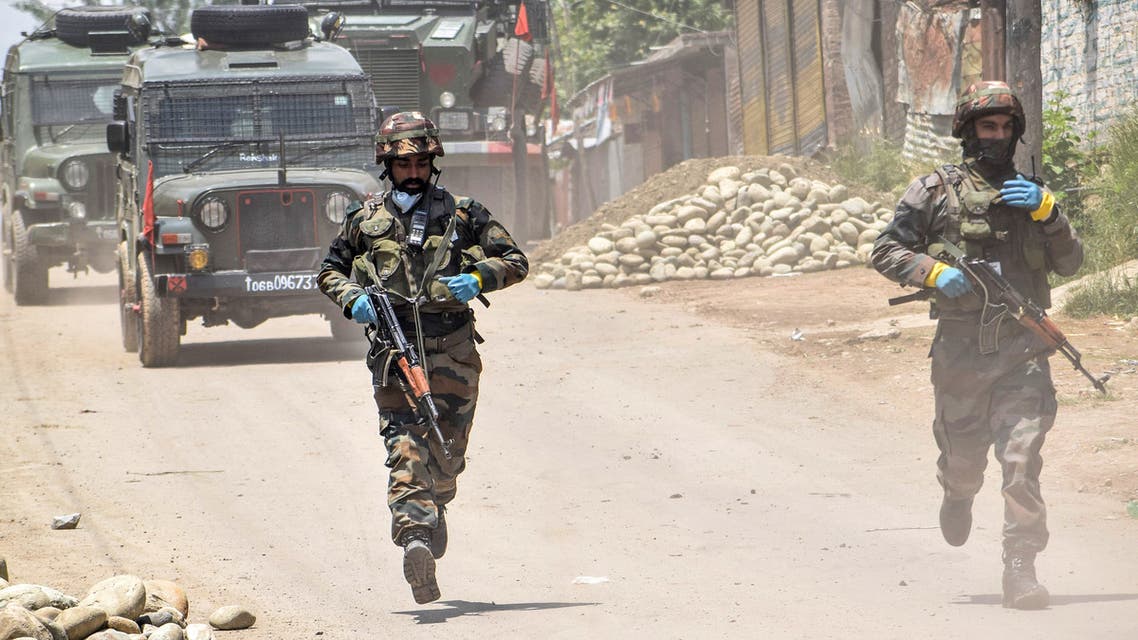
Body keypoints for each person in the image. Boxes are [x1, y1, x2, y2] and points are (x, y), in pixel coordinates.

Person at [871, 81, 1084, 610]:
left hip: (1023, 350)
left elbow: (1073, 264)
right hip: (963, 353)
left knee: (1021, 461)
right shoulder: (934, 191)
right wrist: (933, 271)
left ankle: (1021, 567)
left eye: (1007, 127)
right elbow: (885, 250)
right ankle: (956, 491)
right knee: (966, 462)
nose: (999, 136)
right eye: (988, 126)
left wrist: (1049, 214)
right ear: (968, 131)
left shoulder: (1031, 193)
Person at [317, 111, 529, 604]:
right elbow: (330, 270)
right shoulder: (363, 220)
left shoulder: (463, 213)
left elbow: (516, 260)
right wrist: (352, 298)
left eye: (419, 162)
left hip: (453, 349)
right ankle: (415, 537)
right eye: (401, 163)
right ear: (386, 166)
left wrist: (479, 278)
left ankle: (437, 503)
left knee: (448, 452)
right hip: (396, 353)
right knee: (404, 446)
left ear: (433, 162)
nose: (411, 171)